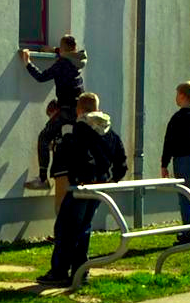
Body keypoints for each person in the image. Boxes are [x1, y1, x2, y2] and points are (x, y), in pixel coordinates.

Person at [37, 92, 128, 287]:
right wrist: (114, 177)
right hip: (100, 186)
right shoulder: (108, 129)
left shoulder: (80, 128)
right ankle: (81, 271)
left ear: (79, 109)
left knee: (65, 228)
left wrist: (67, 153)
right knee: (84, 227)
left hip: (82, 185)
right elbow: (121, 158)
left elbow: (80, 153)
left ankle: (59, 271)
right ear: (97, 108)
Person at [21, 37, 88, 207]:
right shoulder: (77, 61)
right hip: (78, 110)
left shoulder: (63, 64)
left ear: (63, 49)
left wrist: (27, 62)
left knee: (44, 137)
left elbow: (42, 77)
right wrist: (54, 51)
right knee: (65, 138)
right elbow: (65, 54)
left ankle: (43, 178)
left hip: (66, 111)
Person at [160, 80, 190, 243]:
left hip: (183, 159)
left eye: (177, 94)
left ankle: (189, 234)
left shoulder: (178, 118)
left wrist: (164, 164)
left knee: (185, 197)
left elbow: (169, 141)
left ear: (182, 96)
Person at [27, 98, 61, 196]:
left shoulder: (58, 119)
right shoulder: (75, 118)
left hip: (62, 170)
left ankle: (43, 178)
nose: (50, 118)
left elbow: (44, 139)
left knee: (43, 138)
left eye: (50, 115)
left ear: (54, 111)